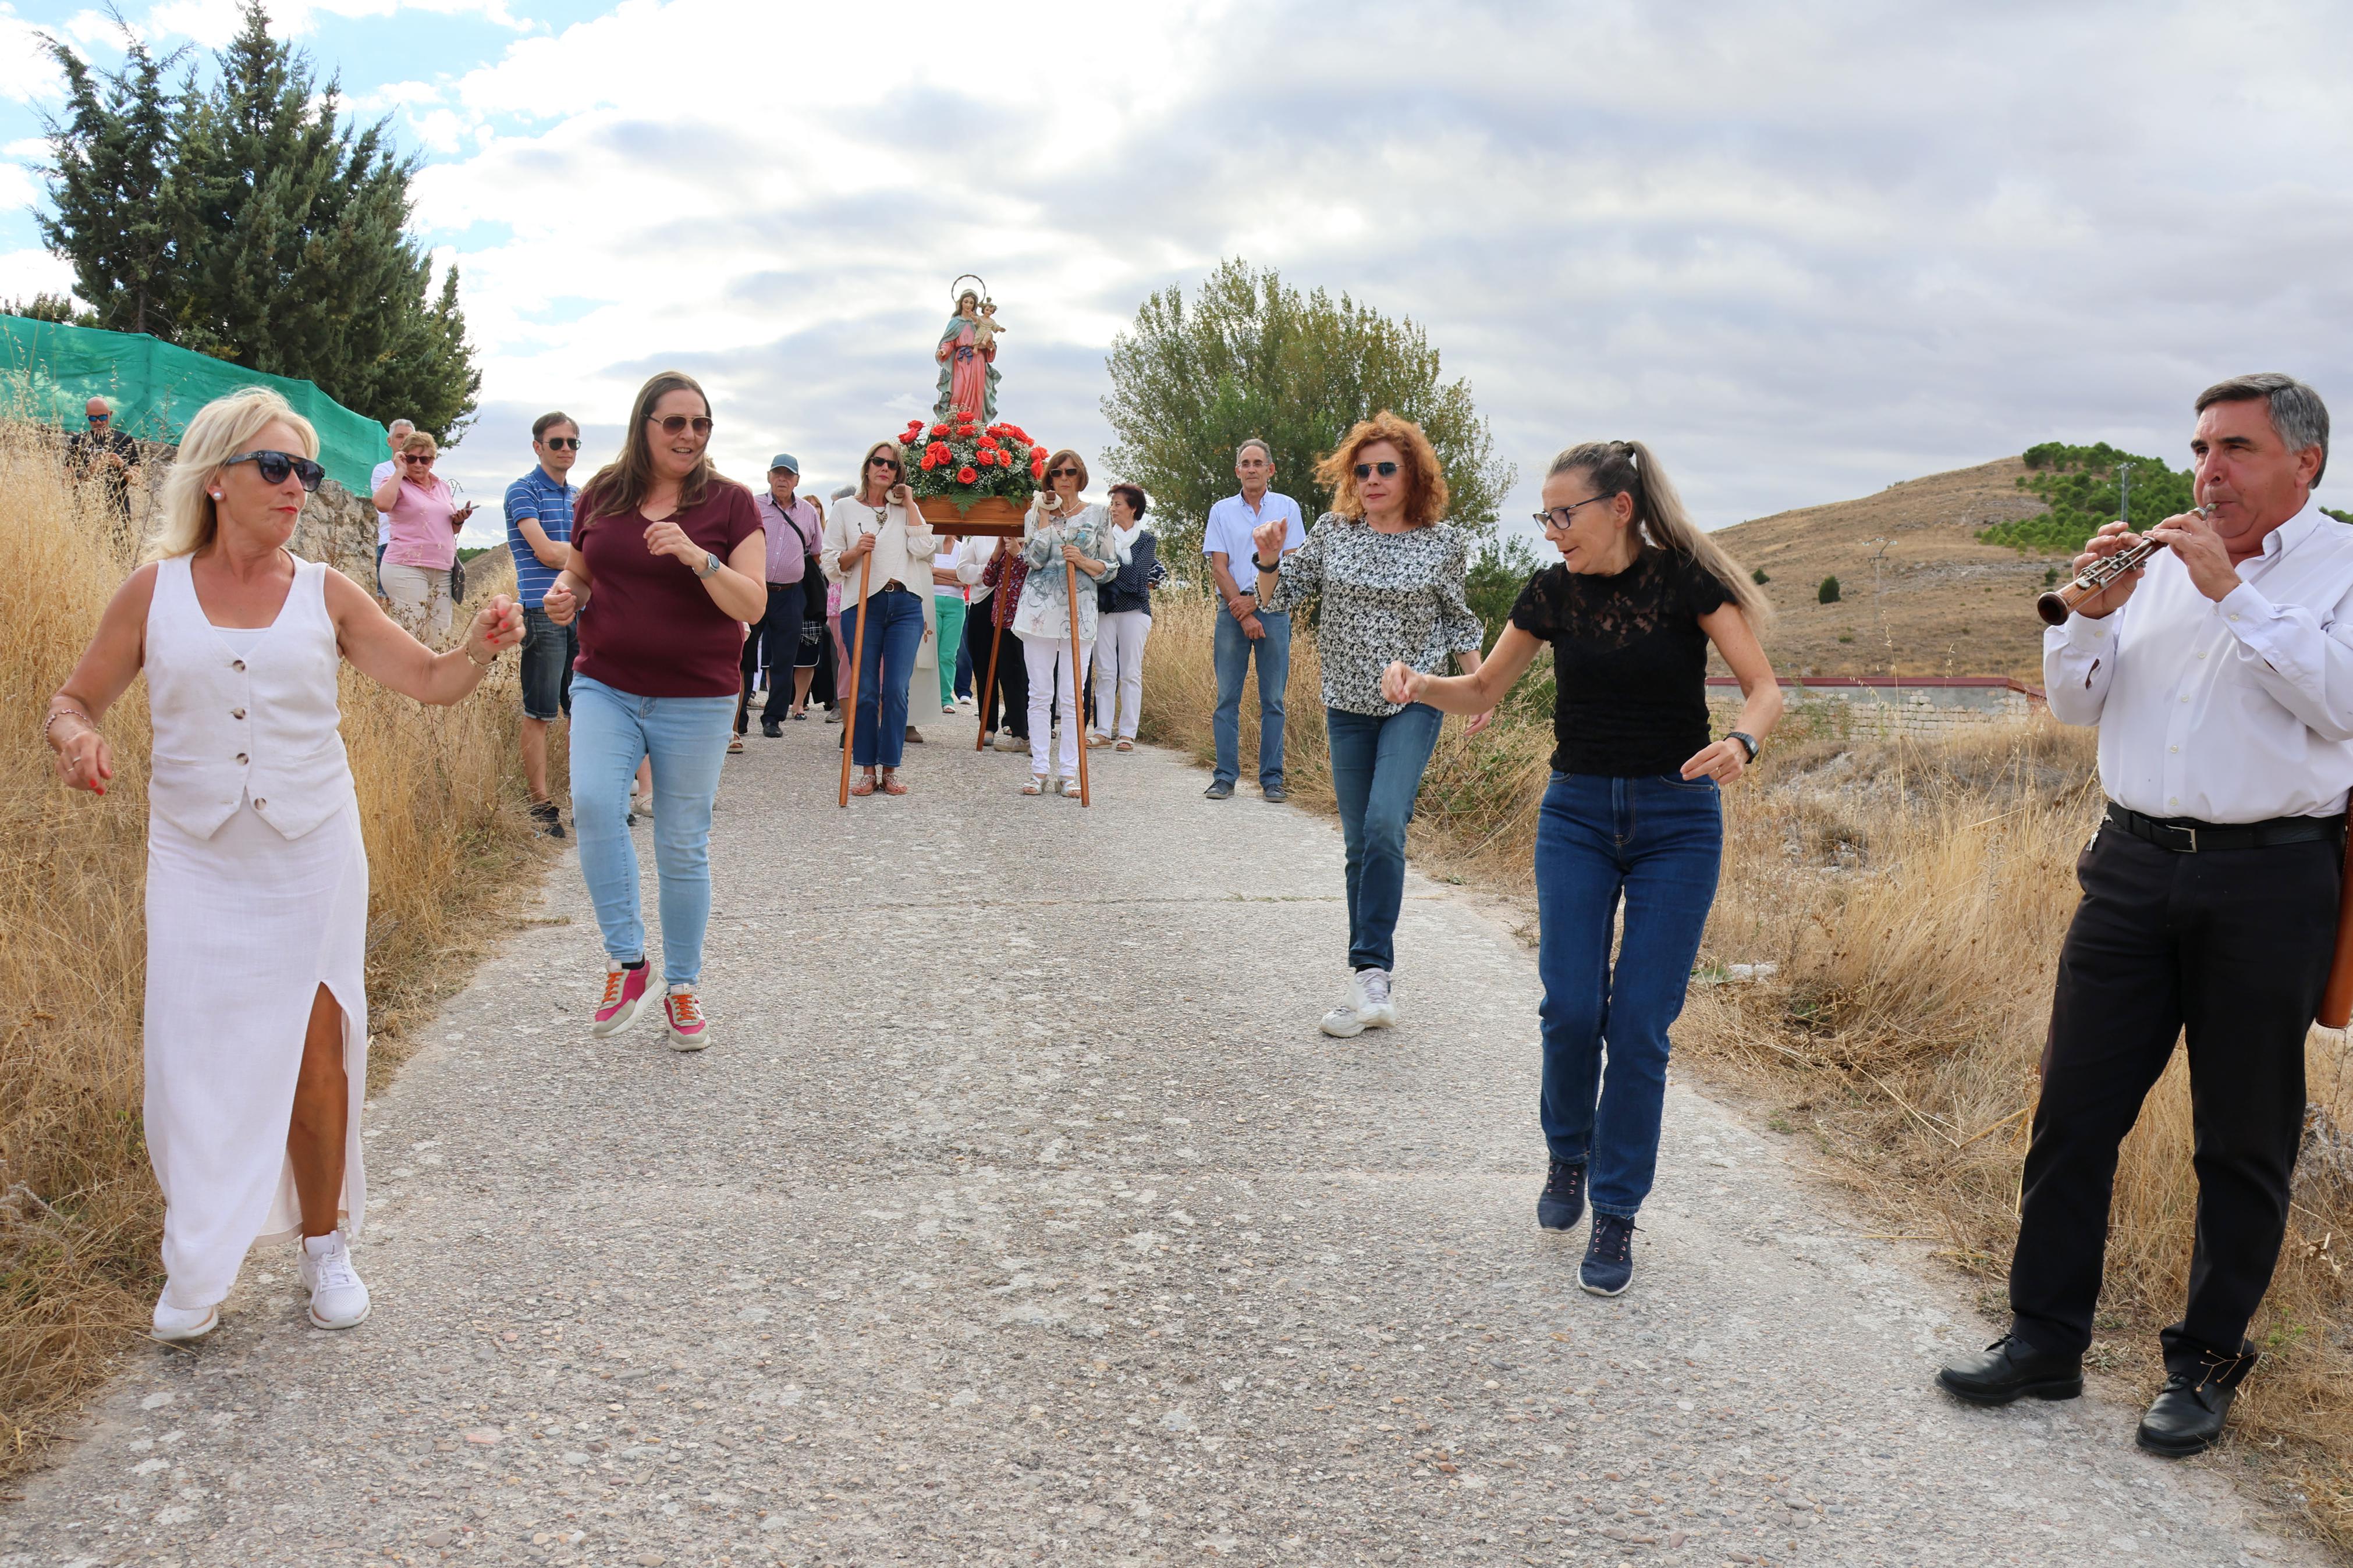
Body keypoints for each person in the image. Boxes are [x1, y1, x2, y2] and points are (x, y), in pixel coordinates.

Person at [43, 386, 523, 1341]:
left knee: (315, 1051)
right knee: (191, 1058)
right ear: (217, 478)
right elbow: (73, 699)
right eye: (275, 466)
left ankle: (325, 1243)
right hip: (195, 856)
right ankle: (198, 1257)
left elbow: (429, 681)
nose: (297, 485)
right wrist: (75, 738)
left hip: (310, 851)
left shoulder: (326, 592)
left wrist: (475, 650)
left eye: (306, 468)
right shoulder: (152, 593)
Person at [1937, 374, 2351, 1457]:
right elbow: (2078, 704)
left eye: (2235, 448)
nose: (2207, 470)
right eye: (2199, 447)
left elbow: (2341, 703)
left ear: (2303, 463)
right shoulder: (2156, 566)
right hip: (2128, 864)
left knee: (2241, 1136)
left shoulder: (2340, 567)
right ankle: (2043, 1339)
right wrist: (2088, 618)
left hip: (2270, 878)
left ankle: (2203, 1365)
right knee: (2073, 1109)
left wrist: (2230, 593)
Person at [1383, 437, 1781, 1297]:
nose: (1552, 530)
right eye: (1546, 516)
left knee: (1637, 1026)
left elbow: (1763, 688)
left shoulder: (1685, 582)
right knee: (1569, 1008)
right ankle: (1567, 1152)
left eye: (1564, 513)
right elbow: (1482, 690)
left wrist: (1741, 740)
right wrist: (1419, 683)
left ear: (1619, 509)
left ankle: (1616, 1207)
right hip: (1574, 816)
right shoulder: (1550, 592)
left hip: (1677, 820)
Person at [540, 371, 766, 1051]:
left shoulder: (730, 503)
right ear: (645, 425)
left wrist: (698, 558)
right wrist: (564, 596)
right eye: (675, 423)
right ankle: (628, 962)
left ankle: (684, 985)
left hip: (697, 696)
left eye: (700, 424)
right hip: (605, 682)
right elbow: (581, 572)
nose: (689, 435)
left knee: (681, 841)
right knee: (593, 804)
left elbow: (753, 604)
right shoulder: (602, 493)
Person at [1248, 413, 1487, 1039]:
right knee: (1359, 845)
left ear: (1413, 475)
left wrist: (1479, 686)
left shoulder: (1441, 541)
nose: (1372, 479)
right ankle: (1367, 977)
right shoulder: (1334, 532)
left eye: (1386, 468)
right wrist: (1268, 559)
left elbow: (1457, 617)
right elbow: (1278, 597)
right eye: (1362, 470)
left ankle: (1372, 968)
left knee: (1385, 824)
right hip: (1346, 705)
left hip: (1416, 700)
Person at [822, 441, 935, 797]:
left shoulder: (905, 510)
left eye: (892, 464)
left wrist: (911, 502)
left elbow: (924, 549)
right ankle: (867, 770)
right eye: (878, 461)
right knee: (866, 690)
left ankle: (891, 769)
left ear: (899, 473)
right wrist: (856, 551)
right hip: (862, 606)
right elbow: (830, 564)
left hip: (905, 605)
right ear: (867, 467)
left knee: (897, 690)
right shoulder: (844, 508)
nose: (884, 468)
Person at [1204, 438, 1305, 801]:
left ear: (1270, 470)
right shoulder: (1221, 511)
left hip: (1274, 610)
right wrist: (1244, 611)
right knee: (1227, 698)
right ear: (1237, 471)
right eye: (1245, 463)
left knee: (1273, 699)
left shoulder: (1287, 508)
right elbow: (1219, 566)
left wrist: (1258, 603)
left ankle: (1272, 780)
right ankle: (1224, 777)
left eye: (1258, 463)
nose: (1251, 469)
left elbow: (1292, 563)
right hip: (1232, 611)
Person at [1012, 450, 1119, 795]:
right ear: (1049, 479)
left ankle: (1069, 772)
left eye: (1070, 472)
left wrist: (1083, 561)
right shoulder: (1035, 513)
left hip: (1080, 610)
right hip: (1039, 610)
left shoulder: (1099, 514)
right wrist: (1045, 515)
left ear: (1080, 476)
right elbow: (1033, 558)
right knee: (1040, 692)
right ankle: (1039, 770)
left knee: (1073, 695)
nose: (1063, 478)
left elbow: (1110, 567)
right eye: (1056, 473)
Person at [505, 411, 581, 836]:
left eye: (572, 442)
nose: (566, 449)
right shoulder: (523, 490)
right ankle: (540, 804)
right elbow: (547, 553)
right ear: (538, 447)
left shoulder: (579, 495)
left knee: (582, 710)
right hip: (541, 609)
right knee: (540, 711)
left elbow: (563, 551)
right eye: (557, 442)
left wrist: (580, 554)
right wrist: (587, 554)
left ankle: (583, 798)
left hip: (582, 610)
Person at [743, 453, 820, 739]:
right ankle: (738, 719)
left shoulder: (808, 513)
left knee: (785, 659)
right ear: (769, 477)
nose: (782, 479)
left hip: (790, 594)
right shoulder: (754, 504)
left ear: (797, 480)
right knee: (745, 654)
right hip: (755, 589)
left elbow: (816, 552)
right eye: (778, 473)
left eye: (788, 475)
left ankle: (773, 718)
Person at [372, 429, 474, 641]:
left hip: (442, 567)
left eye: (425, 459)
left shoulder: (443, 487)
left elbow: (449, 528)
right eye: (412, 459)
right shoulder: (395, 482)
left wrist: (458, 520)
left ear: (432, 461)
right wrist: (399, 471)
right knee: (412, 631)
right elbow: (382, 504)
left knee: (440, 633)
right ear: (403, 458)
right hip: (406, 565)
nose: (418, 464)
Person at [1090, 482, 1158, 750]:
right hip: (1105, 609)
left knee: (1130, 672)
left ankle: (1128, 734)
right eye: (1112, 503)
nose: (1113, 508)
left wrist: (1107, 571)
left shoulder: (1147, 540)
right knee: (1105, 672)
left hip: (1136, 611)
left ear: (1133, 508)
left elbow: (1140, 577)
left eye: (1118, 504)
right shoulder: (1102, 537)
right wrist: (1107, 571)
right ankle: (1102, 731)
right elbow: (1096, 571)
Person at [963, 531, 1028, 751]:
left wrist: (1017, 552)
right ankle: (988, 725)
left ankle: (1019, 728)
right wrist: (997, 556)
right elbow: (970, 573)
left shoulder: (1031, 535)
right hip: (985, 605)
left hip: (1018, 610)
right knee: (984, 667)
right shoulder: (978, 536)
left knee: (1015, 670)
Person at [69, 394, 140, 530]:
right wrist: (92, 469)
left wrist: (121, 465)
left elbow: (138, 481)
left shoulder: (126, 441)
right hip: (86, 512)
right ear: (87, 417)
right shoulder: (78, 442)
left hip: (118, 514)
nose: (98, 422)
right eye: (92, 418)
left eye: (102, 417)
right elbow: (67, 481)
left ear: (110, 414)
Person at [371, 419, 415, 593]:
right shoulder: (382, 471)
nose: (404, 441)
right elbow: (387, 504)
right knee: (386, 601)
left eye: (408, 437)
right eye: (399, 436)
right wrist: (401, 470)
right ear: (389, 441)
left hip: (418, 546)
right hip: (390, 543)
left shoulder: (424, 472)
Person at [932, 535, 968, 716]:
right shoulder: (930, 546)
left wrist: (936, 571)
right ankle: (929, 698)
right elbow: (925, 574)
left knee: (948, 654)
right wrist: (955, 580)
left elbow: (966, 577)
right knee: (930, 653)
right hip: (931, 600)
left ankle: (946, 698)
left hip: (956, 605)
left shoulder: (962, 548)